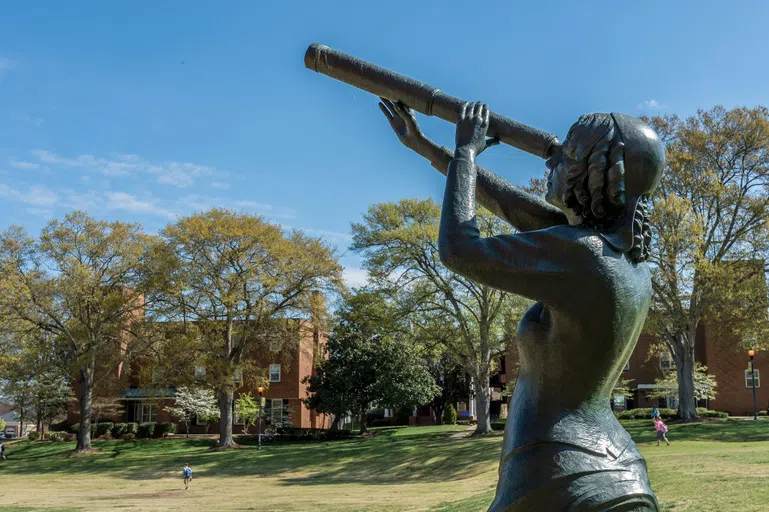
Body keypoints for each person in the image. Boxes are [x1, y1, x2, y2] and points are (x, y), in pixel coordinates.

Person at [379, 100, 664, 511]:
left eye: (564, 158)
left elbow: (458, 249)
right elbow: (512, 207)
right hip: (611, 466)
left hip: (558, 471)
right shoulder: (621, 259)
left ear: (592, 174)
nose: (549, 167)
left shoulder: (582, 256)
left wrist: (466, 152)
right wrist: (427, 148)